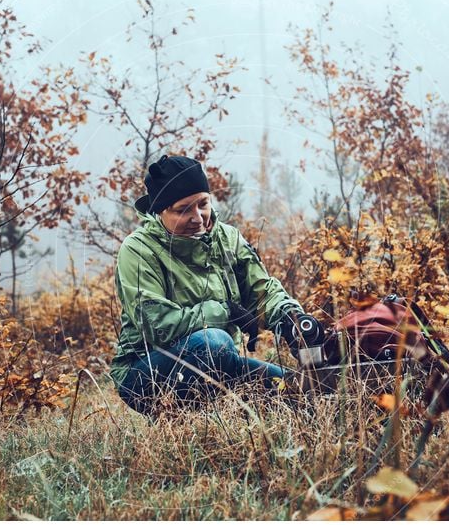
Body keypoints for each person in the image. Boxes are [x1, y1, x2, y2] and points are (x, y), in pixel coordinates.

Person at [109, 154, 319, 415]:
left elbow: (261, 291)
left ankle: (228, 416)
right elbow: (158, 326)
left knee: (301, 391)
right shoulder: (139, 250)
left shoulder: (227, 238)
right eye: (183, 209)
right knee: (214, 342)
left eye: (203, 204)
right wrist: (225, 311)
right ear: (160, 210)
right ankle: (188, 423)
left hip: (220, 362)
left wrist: (290, 317)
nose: (198, 217)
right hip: (145, 372)